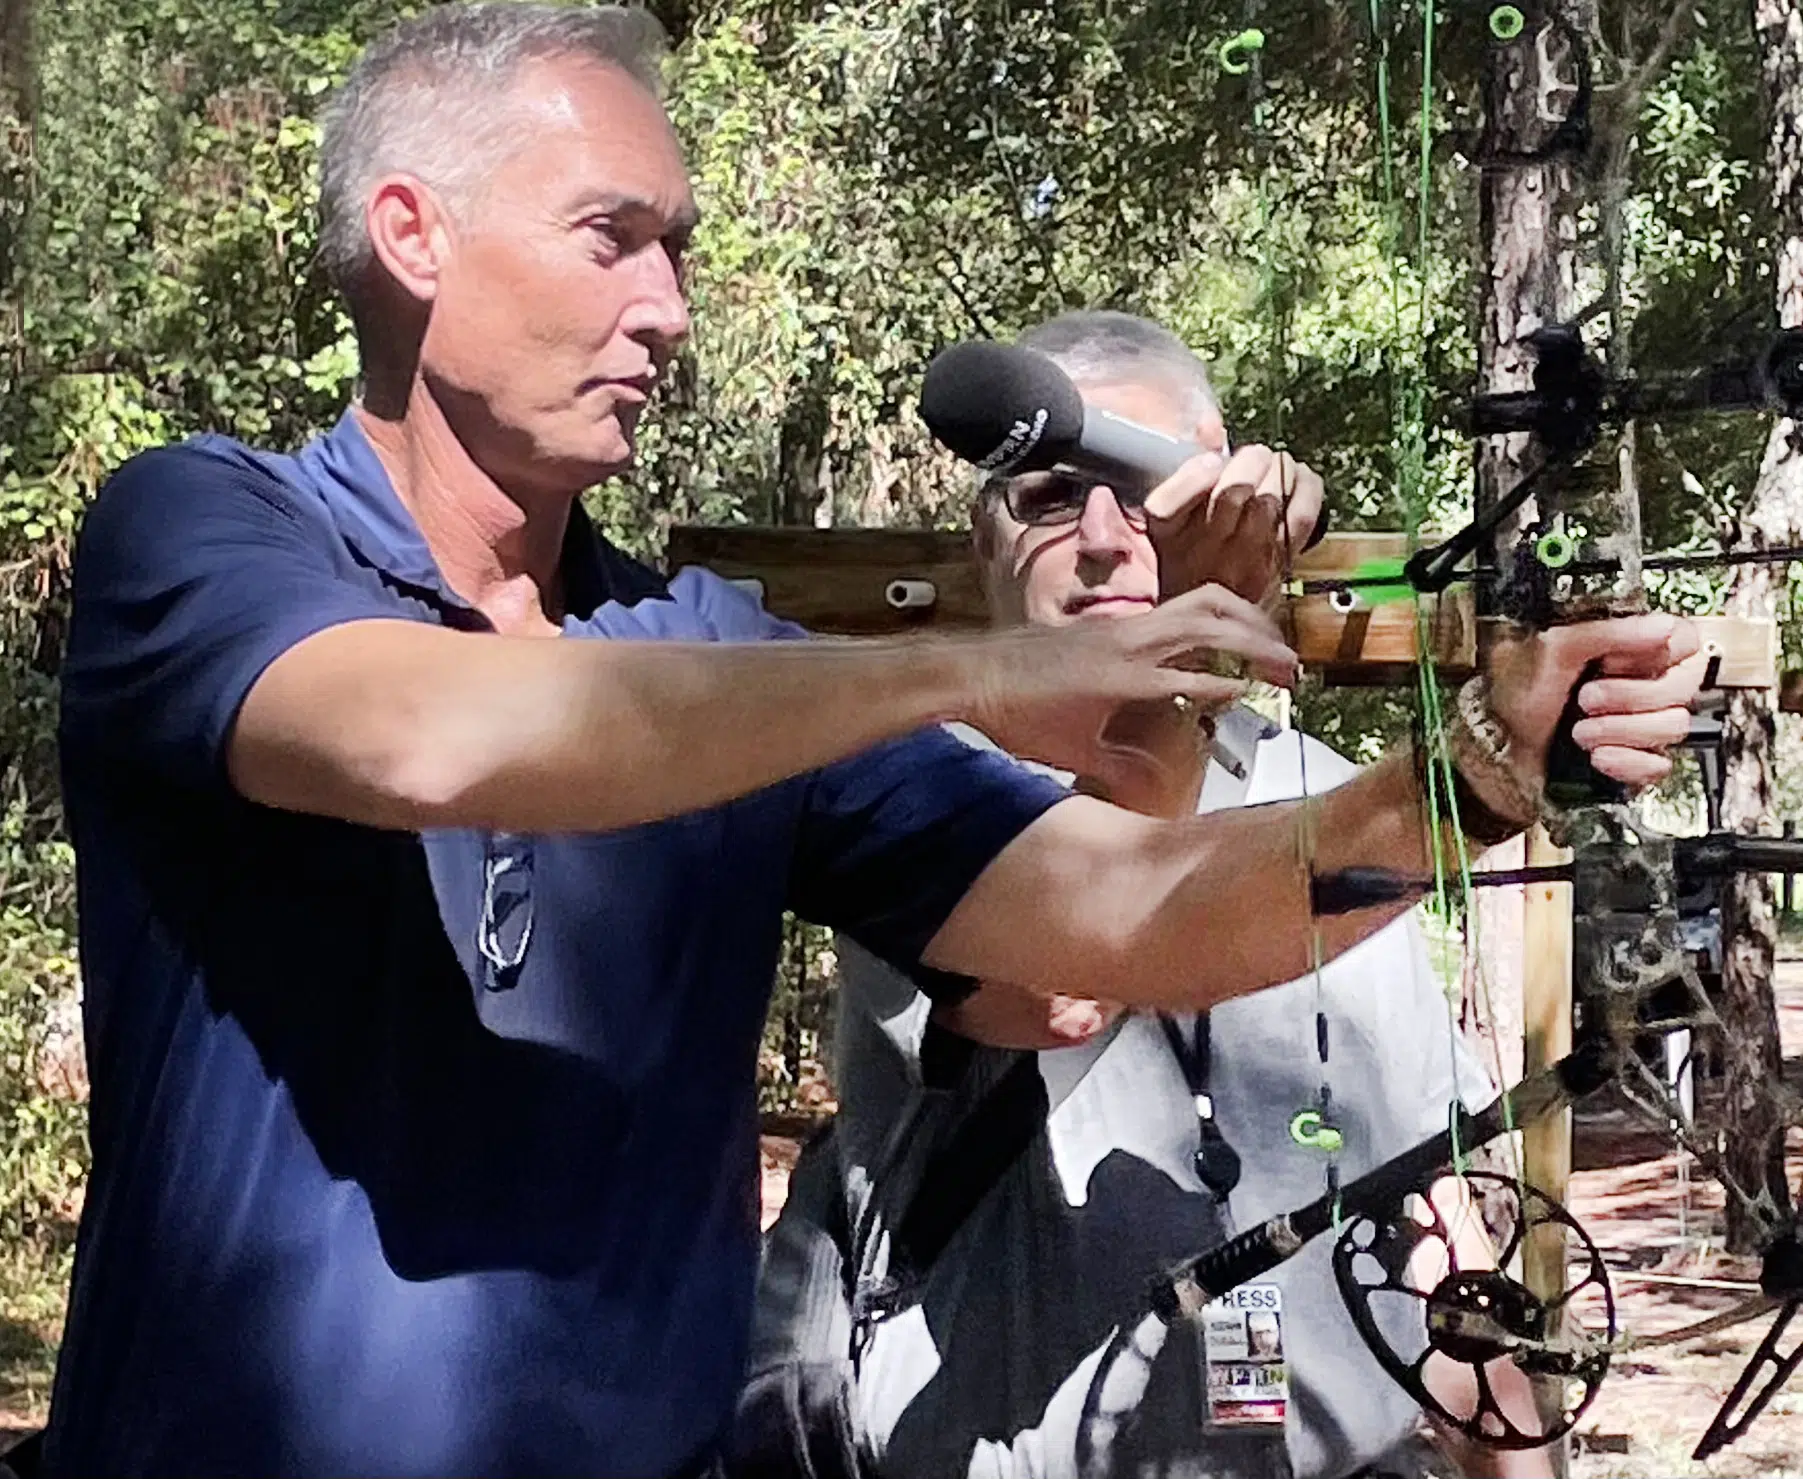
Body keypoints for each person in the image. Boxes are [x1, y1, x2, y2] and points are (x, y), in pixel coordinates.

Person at [42, 4, 1701, 1476]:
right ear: (413, 233)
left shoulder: (715, 649)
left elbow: (1147, 911)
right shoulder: (199, 526)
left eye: (678, 249)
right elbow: (421, 730)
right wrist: (958, 664)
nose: (670, 308)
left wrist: (1483, 764)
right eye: (613, 236)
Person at [736, 312, 1558, 1479]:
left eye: (1150, 489)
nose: (1111, 540)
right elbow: (1072, 983)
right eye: (1053, 497)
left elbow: (1439, 1223)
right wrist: (1194, 680)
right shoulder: (914, 797)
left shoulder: (1333, 796)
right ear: (985, 547)